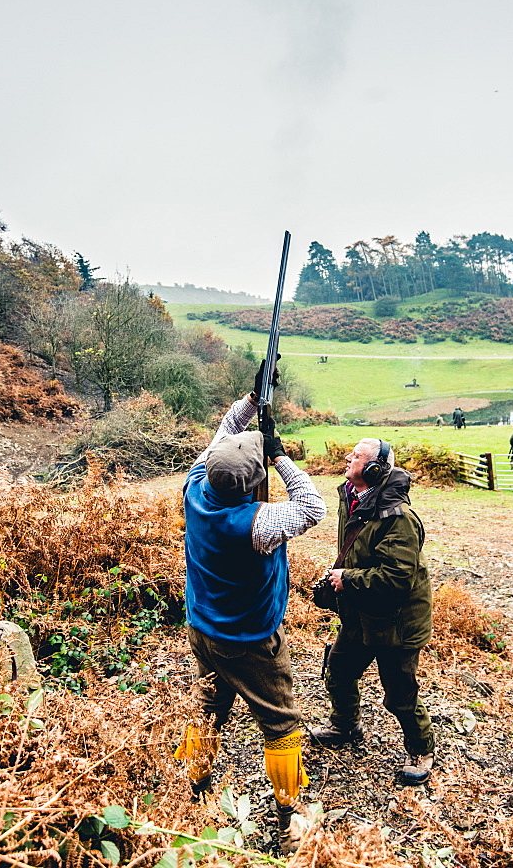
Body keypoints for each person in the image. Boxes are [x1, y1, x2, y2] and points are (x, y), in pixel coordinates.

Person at [175, 363, 326, 852]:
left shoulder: (196, 489)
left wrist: (254, 398)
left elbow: (225, 435)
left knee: (211, 704)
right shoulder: (257, 524)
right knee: (281, 721)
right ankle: (290, 812)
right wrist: (281, 456)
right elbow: (312, 508)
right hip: (249, 641)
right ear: (252, 485)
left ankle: (192, 784)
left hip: (201, 628)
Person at [309, 438, 435, 785]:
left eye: (358, 456)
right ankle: (345, 725)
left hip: (397, 622)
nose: (349, 458)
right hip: (360, 611)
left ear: (376, 469)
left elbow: (396, 577)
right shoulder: (351, 497)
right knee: (338, 670)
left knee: (400, 695)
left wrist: (347, 579)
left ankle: (421, 749)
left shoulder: (399, 518)